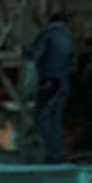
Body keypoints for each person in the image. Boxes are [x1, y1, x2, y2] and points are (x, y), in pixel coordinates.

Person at [25, 14, 76, 161]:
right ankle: (58, 152)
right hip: (63, 82)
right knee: (56, 118)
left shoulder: (48, 34)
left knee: (42, 116)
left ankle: (52, 153)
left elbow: (35, 54)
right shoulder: (68, 38)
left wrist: (23, 52)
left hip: (49, 81)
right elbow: (72, 63)